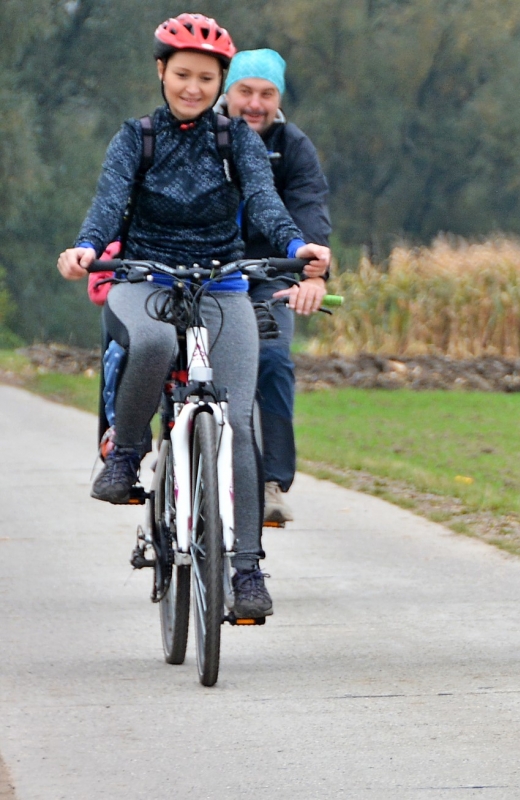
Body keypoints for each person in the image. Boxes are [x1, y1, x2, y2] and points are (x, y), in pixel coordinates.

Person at [55, 13, 331, 618]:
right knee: (151, 345)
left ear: (220, 83)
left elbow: (265, 201)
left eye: (206, 79)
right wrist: (85, 247)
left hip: (220, 282)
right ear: (161, 72)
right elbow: (108, 203)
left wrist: (296, 249)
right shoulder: (137, 137)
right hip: (144, 276)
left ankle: (247, 571)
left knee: (237, 423)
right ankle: (126, 454)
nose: (192, 88)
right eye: (182, 75)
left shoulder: (238, 141)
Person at [218, 48, 332, 525]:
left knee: (272, 358)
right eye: (245, 91)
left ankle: (271, 482)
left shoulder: (294, 146)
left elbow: (309, 210)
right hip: (204, 271)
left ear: (279, 98)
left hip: (269, 275)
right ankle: (172, 444)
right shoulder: (201, 135)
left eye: (267, 94)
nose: (255, 104)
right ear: (227, 93)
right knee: (175, 355)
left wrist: (314, 275)